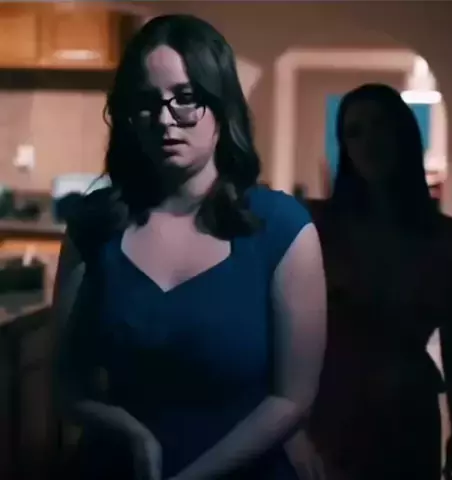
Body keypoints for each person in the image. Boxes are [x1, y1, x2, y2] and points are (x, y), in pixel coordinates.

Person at [51, 14, 326, 480]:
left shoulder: (281, 228)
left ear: (221, 104)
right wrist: (131, 433)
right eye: (146, 102)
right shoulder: (94, 226)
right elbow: (66, 385)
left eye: (185, 98)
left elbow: (292, 397)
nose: (164, 119)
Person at [307, 84, 452, 480]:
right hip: (330, 416)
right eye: (354, 132)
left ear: (404, 133)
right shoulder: (319, 227)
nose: (369, 141)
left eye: (380, 125)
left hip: (407, 417)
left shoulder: (447, 238)